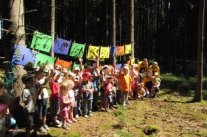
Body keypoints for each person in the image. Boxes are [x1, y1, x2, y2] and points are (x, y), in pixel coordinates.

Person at [35, 66, 50, 132]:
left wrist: (51, 71)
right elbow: (41, 85)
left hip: (45, 97)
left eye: (43, 73)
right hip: (39, 99)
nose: (43, 74)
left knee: (44, 112)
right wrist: (42, 87)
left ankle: (44, 124)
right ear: (36, 74)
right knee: (40, 114)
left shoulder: (43, 79)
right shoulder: (35, 81)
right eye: (41, 73)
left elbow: (49, 77)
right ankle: (39, 126)